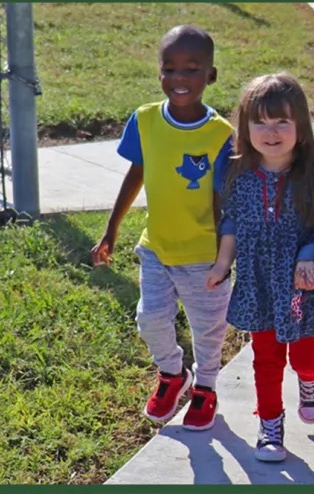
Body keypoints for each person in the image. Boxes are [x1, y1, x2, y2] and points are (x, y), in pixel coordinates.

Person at [90, 25, 232, 432]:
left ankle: (205, 385)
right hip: (156, 248)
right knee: (150, 319)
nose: (180, 79)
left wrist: (225, 259)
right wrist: (111, 230)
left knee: (209, 330)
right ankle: (173, 374)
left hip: (204, 257)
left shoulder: (220, 135)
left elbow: (224, 202)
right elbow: (137, 173)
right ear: (159, 73)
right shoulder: (146, 119)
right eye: (170, 68)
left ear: (211, 75)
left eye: (192, 69)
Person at [204, 73, 314, 462]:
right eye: (260, 122)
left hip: (302, 286)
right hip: (258, 283)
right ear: (245, 128)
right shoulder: (237, 173)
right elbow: (231, 222)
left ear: (301, 125)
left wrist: (309, 259)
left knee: (304, 351)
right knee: (266, 358)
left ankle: (312, 378)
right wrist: (221, 264)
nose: (271, 131)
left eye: (282, 121)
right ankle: (269, 427)